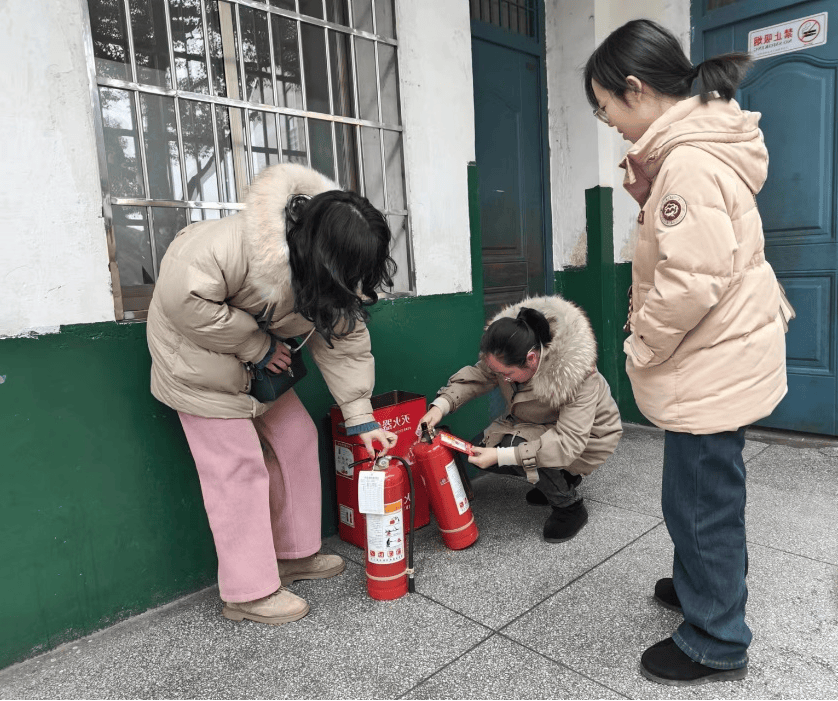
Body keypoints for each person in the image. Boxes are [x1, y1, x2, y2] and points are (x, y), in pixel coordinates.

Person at [584, 19, 792, 686]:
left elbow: (688, 283)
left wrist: (639, 343)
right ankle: (702, 581)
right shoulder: (688, 151)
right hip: (715, 356)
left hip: (710, 359)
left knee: (703, 499)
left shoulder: (689, 163)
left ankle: (716, 638)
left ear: (636, 89)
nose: (608, 119)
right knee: (695, 491)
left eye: (607, 104)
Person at [146, 163, 399, 626]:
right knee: (237, 469)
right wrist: (256, 344)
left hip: (260, 366)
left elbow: (344, 339)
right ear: (321, 253)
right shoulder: (230, 246)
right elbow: (182, 299)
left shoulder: (327, 272)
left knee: (297, 438)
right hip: (198, 366)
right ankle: (248, 593)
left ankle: (293, 553)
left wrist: (361, 418)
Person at [418, 296, 622, 543]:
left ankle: (569, 507)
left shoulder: (579, 375)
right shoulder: (510, 352)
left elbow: (567, 442)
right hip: (541, 425)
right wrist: (440, 406)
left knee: (508, 450)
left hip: (588, 438)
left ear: (531, 359)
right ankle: (561, 479)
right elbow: (478, 375)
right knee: (483, 448)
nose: (501, 379)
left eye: (507, 374)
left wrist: (504, 456)